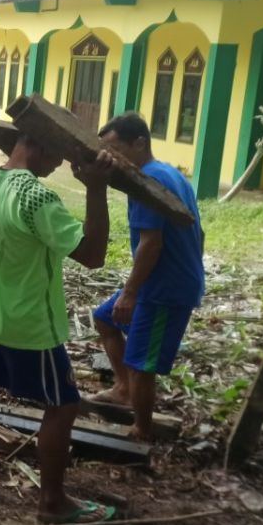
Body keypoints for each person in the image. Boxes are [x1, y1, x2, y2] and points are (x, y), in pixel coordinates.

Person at [0, 132, 116, 525]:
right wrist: (96, 189)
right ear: (39, 143)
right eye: (58, 154)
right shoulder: (36, 197)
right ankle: (52, 502)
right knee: (63, 405)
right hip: (30, 327)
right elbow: (92, 255)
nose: (59, 166)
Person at [92, 112, 205, 439]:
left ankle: (142, 429)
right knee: (105, 319)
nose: (108, 157)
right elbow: (200, 232)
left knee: (143, 362)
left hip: (164, 289)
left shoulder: (146, 182)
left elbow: (150, 245)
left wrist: (130, 292)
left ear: (139, 143)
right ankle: (123, 389)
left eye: (114, 149)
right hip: (162, 279)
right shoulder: (169, 172)